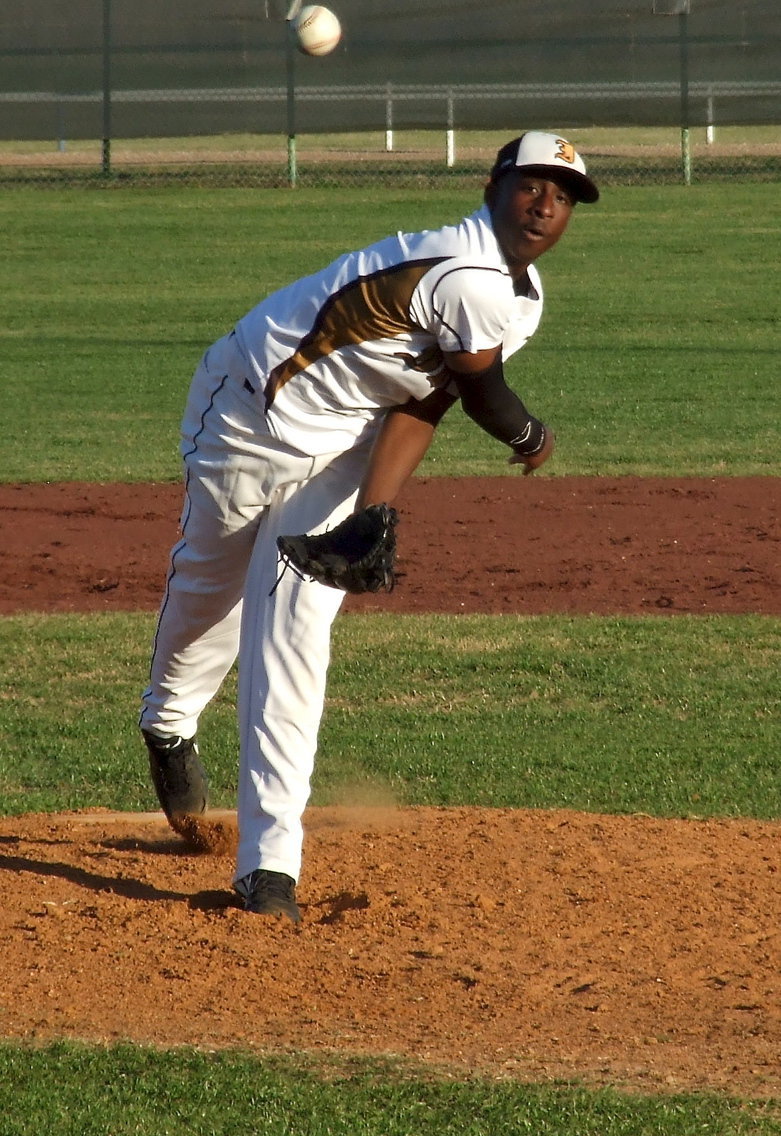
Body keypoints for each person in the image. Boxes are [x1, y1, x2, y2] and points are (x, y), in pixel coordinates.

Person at [139, 130, 599, 924]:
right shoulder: (463, 271)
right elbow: (491, 402)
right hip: (250, 419)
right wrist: (531, 436)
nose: (544, 205)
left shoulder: (520, 301)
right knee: (211, 596)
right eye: (531, 185)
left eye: (562, 197)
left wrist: (376, 509)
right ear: (493, 186)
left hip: (347, 444)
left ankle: (269, 866)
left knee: (292, 620)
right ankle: (169, 719)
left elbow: (425, 402)